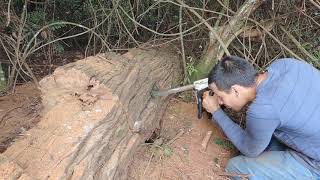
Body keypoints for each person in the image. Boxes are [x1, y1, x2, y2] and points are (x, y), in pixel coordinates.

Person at [202, 56, 320, 179]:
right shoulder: (285, 64)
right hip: (313, 137)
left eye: (221, 97)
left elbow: (249, 149)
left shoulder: (263, 108)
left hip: (315, 163)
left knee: (236, 168)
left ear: (236, 91)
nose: (220, 102)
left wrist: (216, 111)